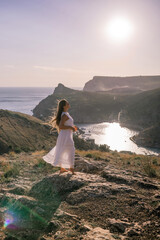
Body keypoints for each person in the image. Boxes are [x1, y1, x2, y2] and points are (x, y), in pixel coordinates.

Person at [42, 99, 77, 174]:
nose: (69, 104)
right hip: (65, 136)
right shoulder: (64, 115)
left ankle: (62, 168)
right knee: (71, 149)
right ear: (64, 106)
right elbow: (61, 126)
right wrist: (71, 128)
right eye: (67, 103)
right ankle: (71, 169)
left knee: (63, 150)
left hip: (66, 135)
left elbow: (66, 124)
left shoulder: (66, 114)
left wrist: (72, 127)